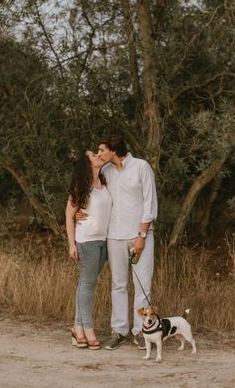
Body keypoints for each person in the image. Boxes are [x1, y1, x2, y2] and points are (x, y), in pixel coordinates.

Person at [96, 135, 158, 351]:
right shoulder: (105, 172)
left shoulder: (141, 167)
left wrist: (141, 235)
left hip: (139, 236)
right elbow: (96, 197)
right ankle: (119, 330)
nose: (99, 154)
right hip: (114, 236)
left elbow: (150, 202)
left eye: (102, 150)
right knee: (118, 284)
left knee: (142, 285)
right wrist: (78, 213)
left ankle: (141, 332)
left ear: (113, 150)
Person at [65, 150, 112, 350]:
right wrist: (71, 244)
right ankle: (88, 329)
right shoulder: (80, 186)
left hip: (104, 241)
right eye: (93, 155)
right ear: (87, 163)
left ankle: (77, 327)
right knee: (88, 284)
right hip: (87, 241)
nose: (98, 155)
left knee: (86, 283)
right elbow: (68, 215)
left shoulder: (104, 182)